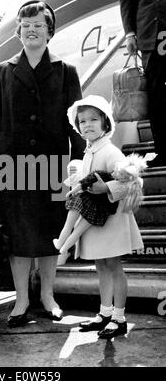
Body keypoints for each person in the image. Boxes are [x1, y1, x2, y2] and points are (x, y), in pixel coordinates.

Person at [0, 0, 85, 327]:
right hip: (11, 166)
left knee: (50, 234)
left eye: (39, 25)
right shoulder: (1, 72)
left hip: (54, 165)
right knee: (18, 235)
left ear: (49, 31)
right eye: (26, 26)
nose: (32, 30)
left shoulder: (66, 71)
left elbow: (76, 121)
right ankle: (22, 299)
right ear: (18, 33)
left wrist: (79, 159)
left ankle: (47, 296)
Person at [61, 95, 144, 339]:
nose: (87, 124)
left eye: (93, 119)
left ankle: (119, 317)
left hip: (112, 219)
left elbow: (130, 181)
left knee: (113, 267)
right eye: (82, 121)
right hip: (96, 220)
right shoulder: (88, 152)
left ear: (105, 123)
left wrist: (105, 188)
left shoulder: (110, 151)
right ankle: (105, 312)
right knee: (100, 266)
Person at [53, 153, 146, 261]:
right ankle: (63, 249)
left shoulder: (104, 173)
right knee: (77, 231)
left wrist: (72, 192)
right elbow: (112, 208)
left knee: (69, 226)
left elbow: (84, 182)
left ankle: (60, 244)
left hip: (85, 202)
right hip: (96, 211)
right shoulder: (113, 182)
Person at [117, 0, 166, 167]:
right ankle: (163, 151)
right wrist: (130, 34)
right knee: (156, 95)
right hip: (150, 34)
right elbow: (126, 0)